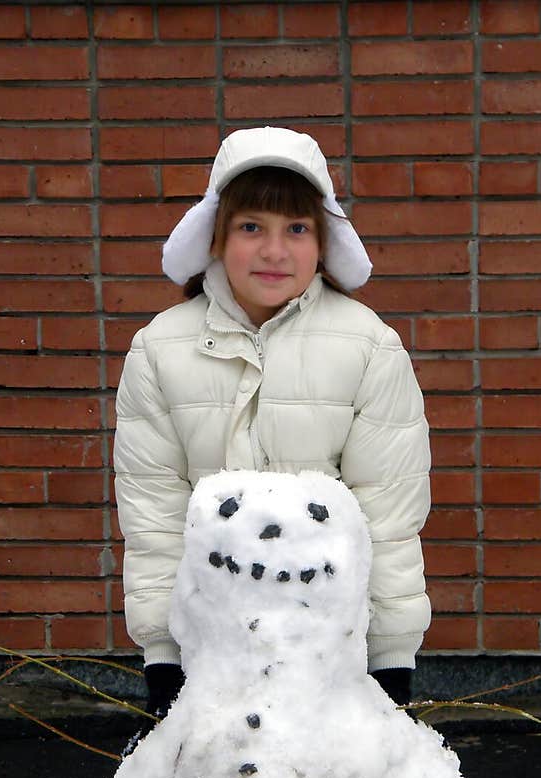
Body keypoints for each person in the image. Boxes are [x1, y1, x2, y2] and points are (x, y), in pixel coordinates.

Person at [113, 127, 431, 740]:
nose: (274, 252)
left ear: (324, 239)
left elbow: (390, 514)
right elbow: (152, 512)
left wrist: (391, 663)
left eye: (297, 229)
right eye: (251, 227)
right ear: (215, 236)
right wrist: (163, 655)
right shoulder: (159, 351)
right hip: (211, 647)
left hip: (332, 648)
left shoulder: (368, 347)